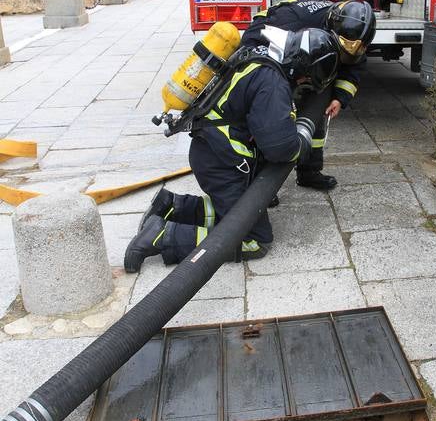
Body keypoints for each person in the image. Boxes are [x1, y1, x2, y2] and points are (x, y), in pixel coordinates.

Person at [123, 27, 339, 272]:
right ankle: (162, 235)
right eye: (306, 78)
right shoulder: (272, 83)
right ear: (301, 65)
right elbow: (280, 148)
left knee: (239, 211)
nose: (303, 83)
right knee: (255, 240)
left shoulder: (259, 56)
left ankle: (171, 205)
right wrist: (301, 139)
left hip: (213, 154)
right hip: (223, 165)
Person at [240, 0, 376, 190]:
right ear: (330, 30)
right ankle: (261, 182)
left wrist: (340, 97)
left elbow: (354, 63)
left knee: (315, 116)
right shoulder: (294, 20)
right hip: (275, 62)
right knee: (271, 122)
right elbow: (251, 43)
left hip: (307, 64)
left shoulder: (353, 33)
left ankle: (309, 173)